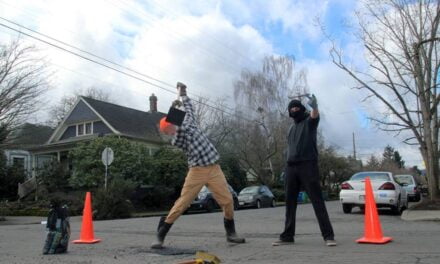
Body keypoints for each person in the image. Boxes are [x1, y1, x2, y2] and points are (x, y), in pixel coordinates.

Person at [151, 82, 245, 249]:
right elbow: (180, 131)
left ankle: (231, 233)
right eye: (168, 131)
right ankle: (161, 235)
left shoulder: (189, 121)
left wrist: (183, 92)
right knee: (183, 203)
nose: (171, 132)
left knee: (228, 201)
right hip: (197, 171)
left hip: (214, 168)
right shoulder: (176, 139)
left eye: (170, 129)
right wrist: (174, 114)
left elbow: (189, 107)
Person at [273, 94, 336, 247]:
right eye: (291, 108)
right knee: (289, 203)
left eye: (297, 107)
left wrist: (314, 107)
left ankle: (328, 236)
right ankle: (288, 236)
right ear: (289, 112)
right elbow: (290, 148)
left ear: (302, 109)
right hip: (291, 168)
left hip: (308, 166)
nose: (294, 109)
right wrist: (286, 166)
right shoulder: (290, 129)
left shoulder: (309, 122)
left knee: (317, 201)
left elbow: (314, 116)